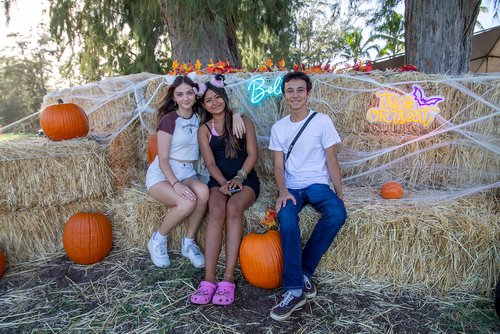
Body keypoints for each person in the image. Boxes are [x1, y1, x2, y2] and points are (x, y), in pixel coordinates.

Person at [268, 71, 347, 321]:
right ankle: (294, 290)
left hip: (317, 184)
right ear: (284, 95)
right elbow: (278, 165)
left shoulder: (322, 121)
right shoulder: (278, 128)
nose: (295, 95)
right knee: (287, 219)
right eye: (290, 90)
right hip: (291, 186)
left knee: (337, 213)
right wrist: (283, 191)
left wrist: (340, 194)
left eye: (300, 90)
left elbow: (331, 158)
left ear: (308, 93)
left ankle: (302, 272)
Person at [145, 75, 245, 269]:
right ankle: (158, 239)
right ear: (174, 98)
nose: (185, 98)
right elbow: (163, 159)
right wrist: (176, 184)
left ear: (195, 94)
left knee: (203, 192)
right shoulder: (169, 120)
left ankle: (188, 242)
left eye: (189, 93)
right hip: (164, 174)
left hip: (188, 172)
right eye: (180, 94)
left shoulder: (200, 116)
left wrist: (236, 113)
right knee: (186, 202)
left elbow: (221, 110)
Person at [190, 74, 260, 306]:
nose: (214, 102)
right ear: (203, 105)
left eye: (217, 97)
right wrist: (222, 183)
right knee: (216, 211)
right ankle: (209, 278)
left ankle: (228, 278)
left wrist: (239, 177)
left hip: (245, 179)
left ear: (224, 97)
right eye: (208, 100)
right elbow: (210, 163)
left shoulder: (242, 120)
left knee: (233, 209)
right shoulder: (204, 129)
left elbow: (252, 154)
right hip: (218, 181)